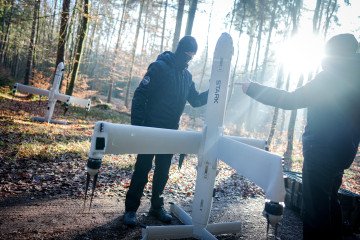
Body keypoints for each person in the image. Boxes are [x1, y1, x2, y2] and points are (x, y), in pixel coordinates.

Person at [240, 33, 359, 239]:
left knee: (315, 211)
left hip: (321, 151)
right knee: (331, 201)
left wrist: (253, 89)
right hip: (343, 153)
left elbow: (290, 99)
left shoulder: (330, 77)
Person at [123, 36, 208, 227]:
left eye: (192, 56)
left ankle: (156, 207)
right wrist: (138, 127)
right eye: (187, 54)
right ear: (180, 50)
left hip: (171, 132)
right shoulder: (160, 67)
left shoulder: (187, 77)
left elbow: (195, 101)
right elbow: (140, 95)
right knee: (142, 169)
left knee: (163, 171)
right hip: (150, 129)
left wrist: (216, 92)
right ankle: (130, 209)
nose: (189, 59)